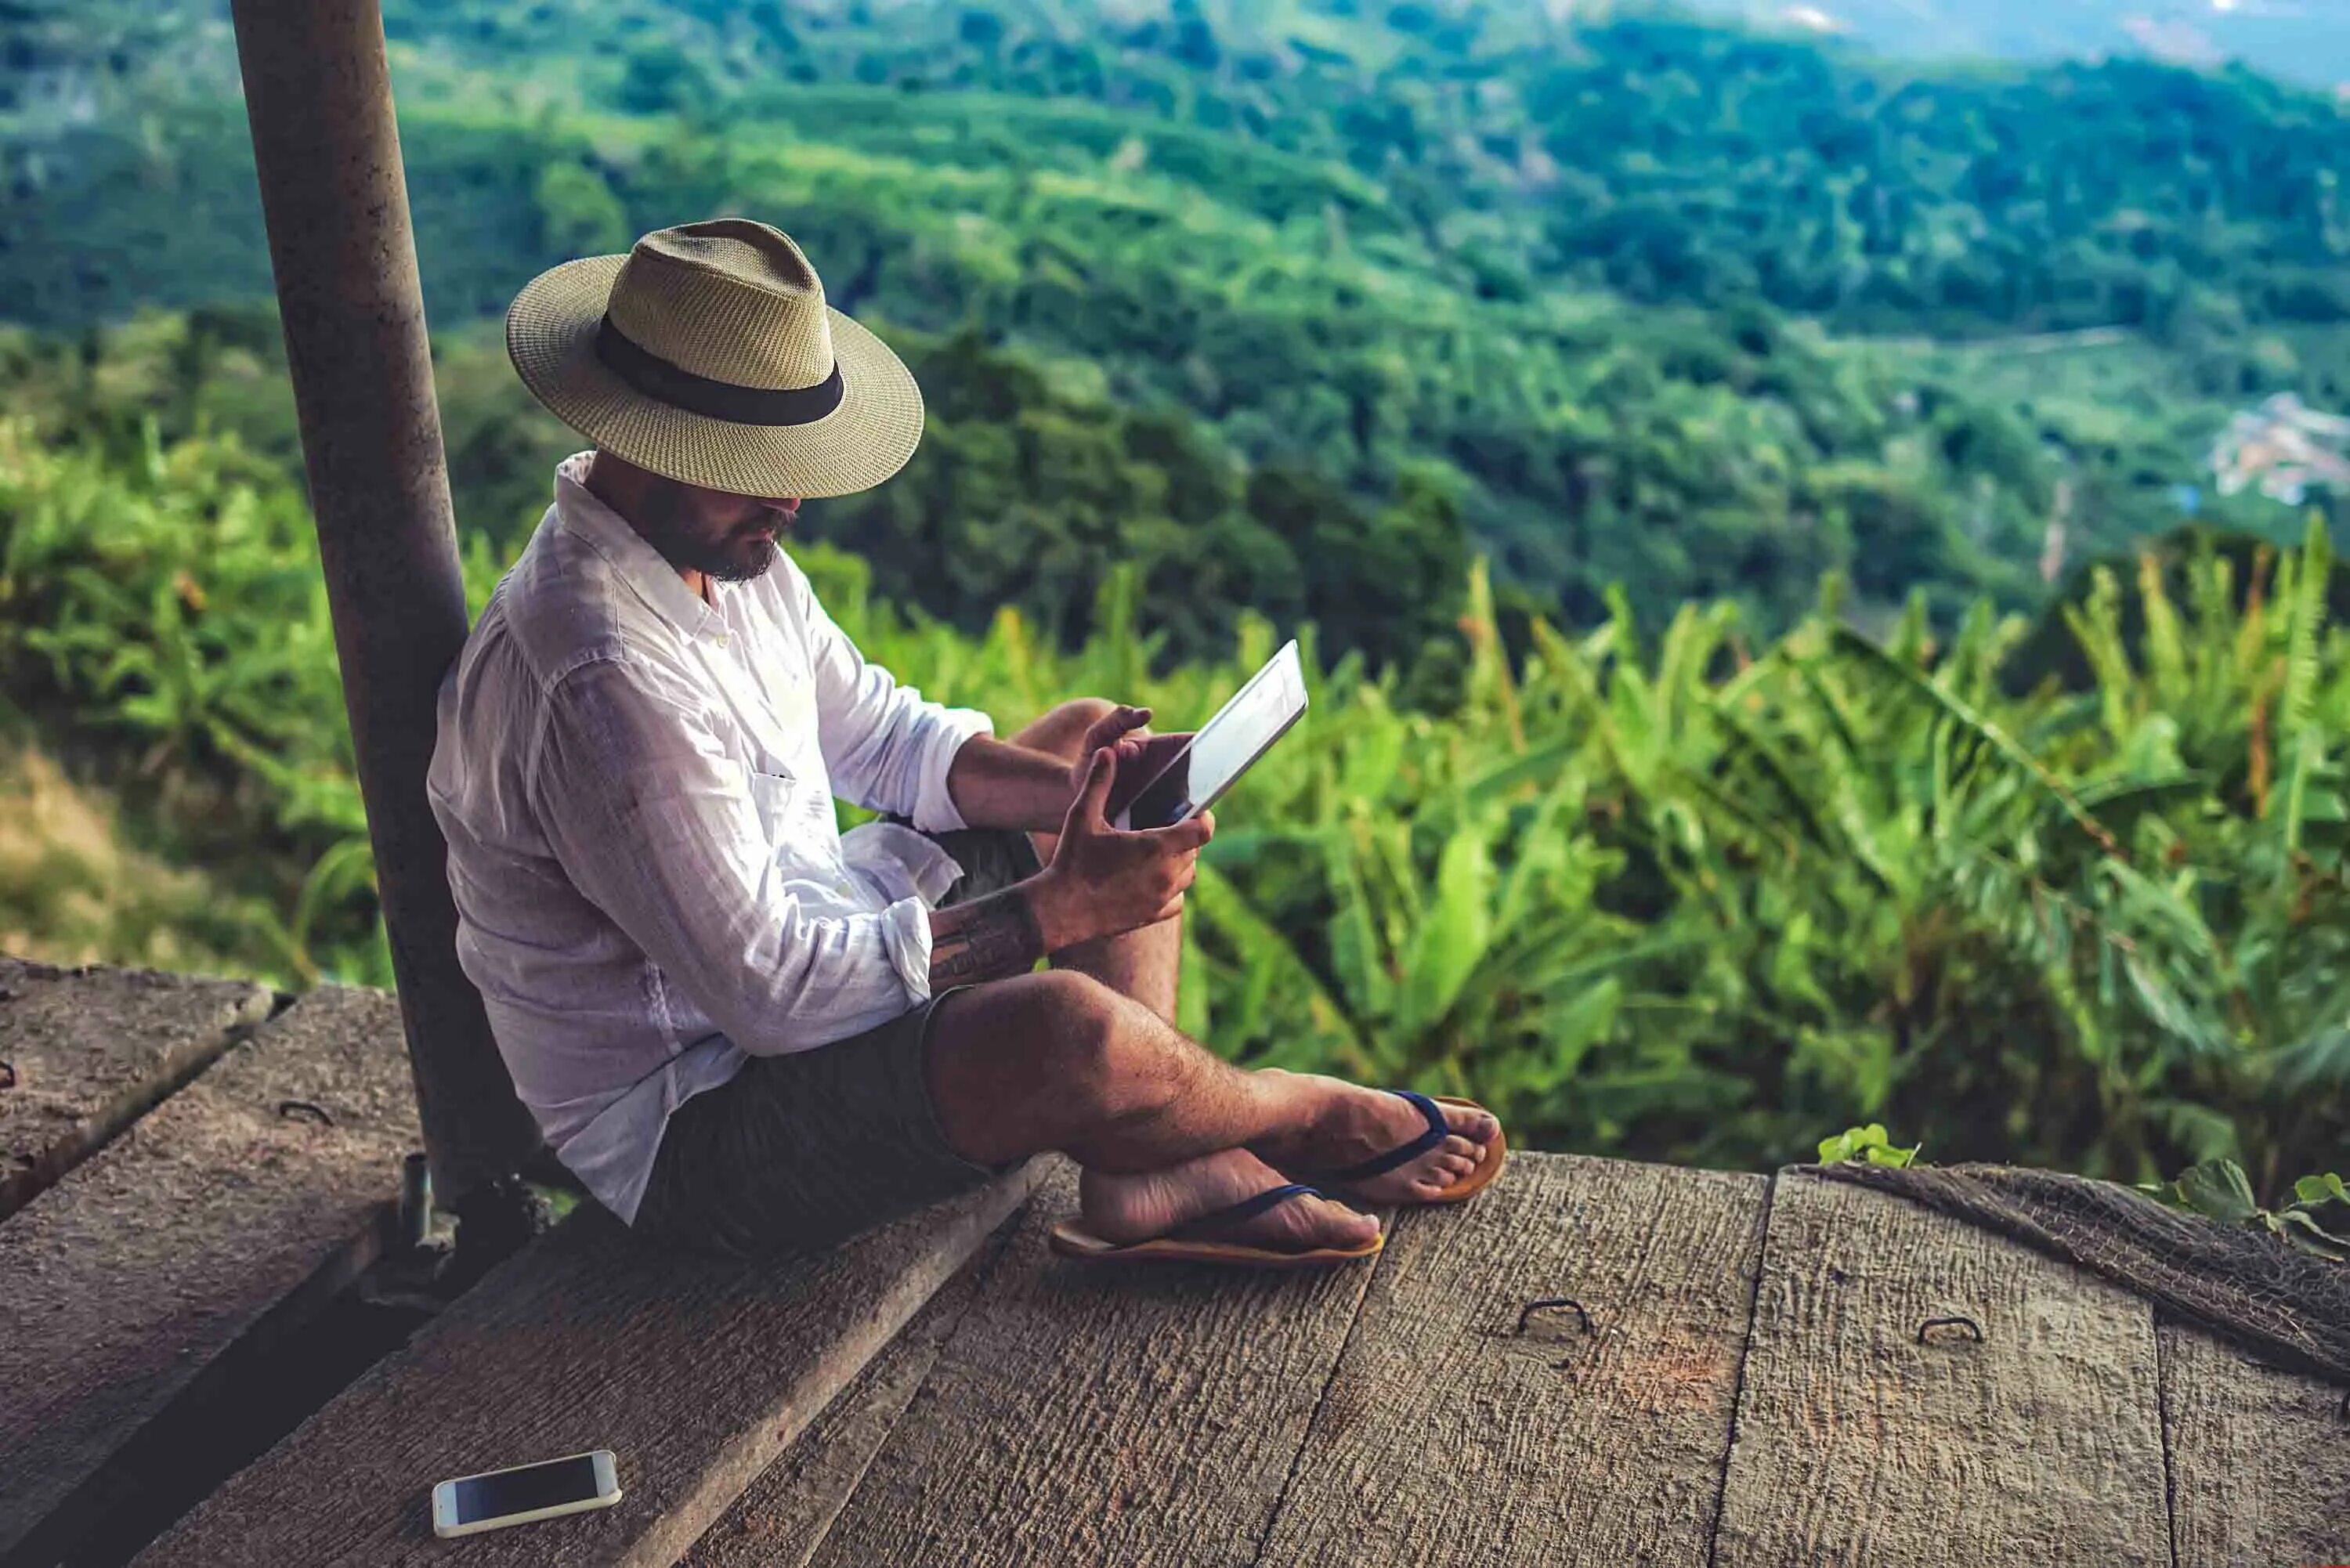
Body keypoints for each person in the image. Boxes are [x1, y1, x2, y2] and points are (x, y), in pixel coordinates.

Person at [428, 219, 1502, 1266]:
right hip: (700, 1122)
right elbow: (772, 996)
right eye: (748, 463)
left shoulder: (717, 553)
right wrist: (1055, 909)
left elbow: (888, 739)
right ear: (639, 440)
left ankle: (1145, 1168)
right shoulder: (602, 682)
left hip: (811, 953)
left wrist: (1081, 792)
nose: (791, 498)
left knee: (1089, 749)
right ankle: (1276, 1112)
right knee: (1075, 1033)